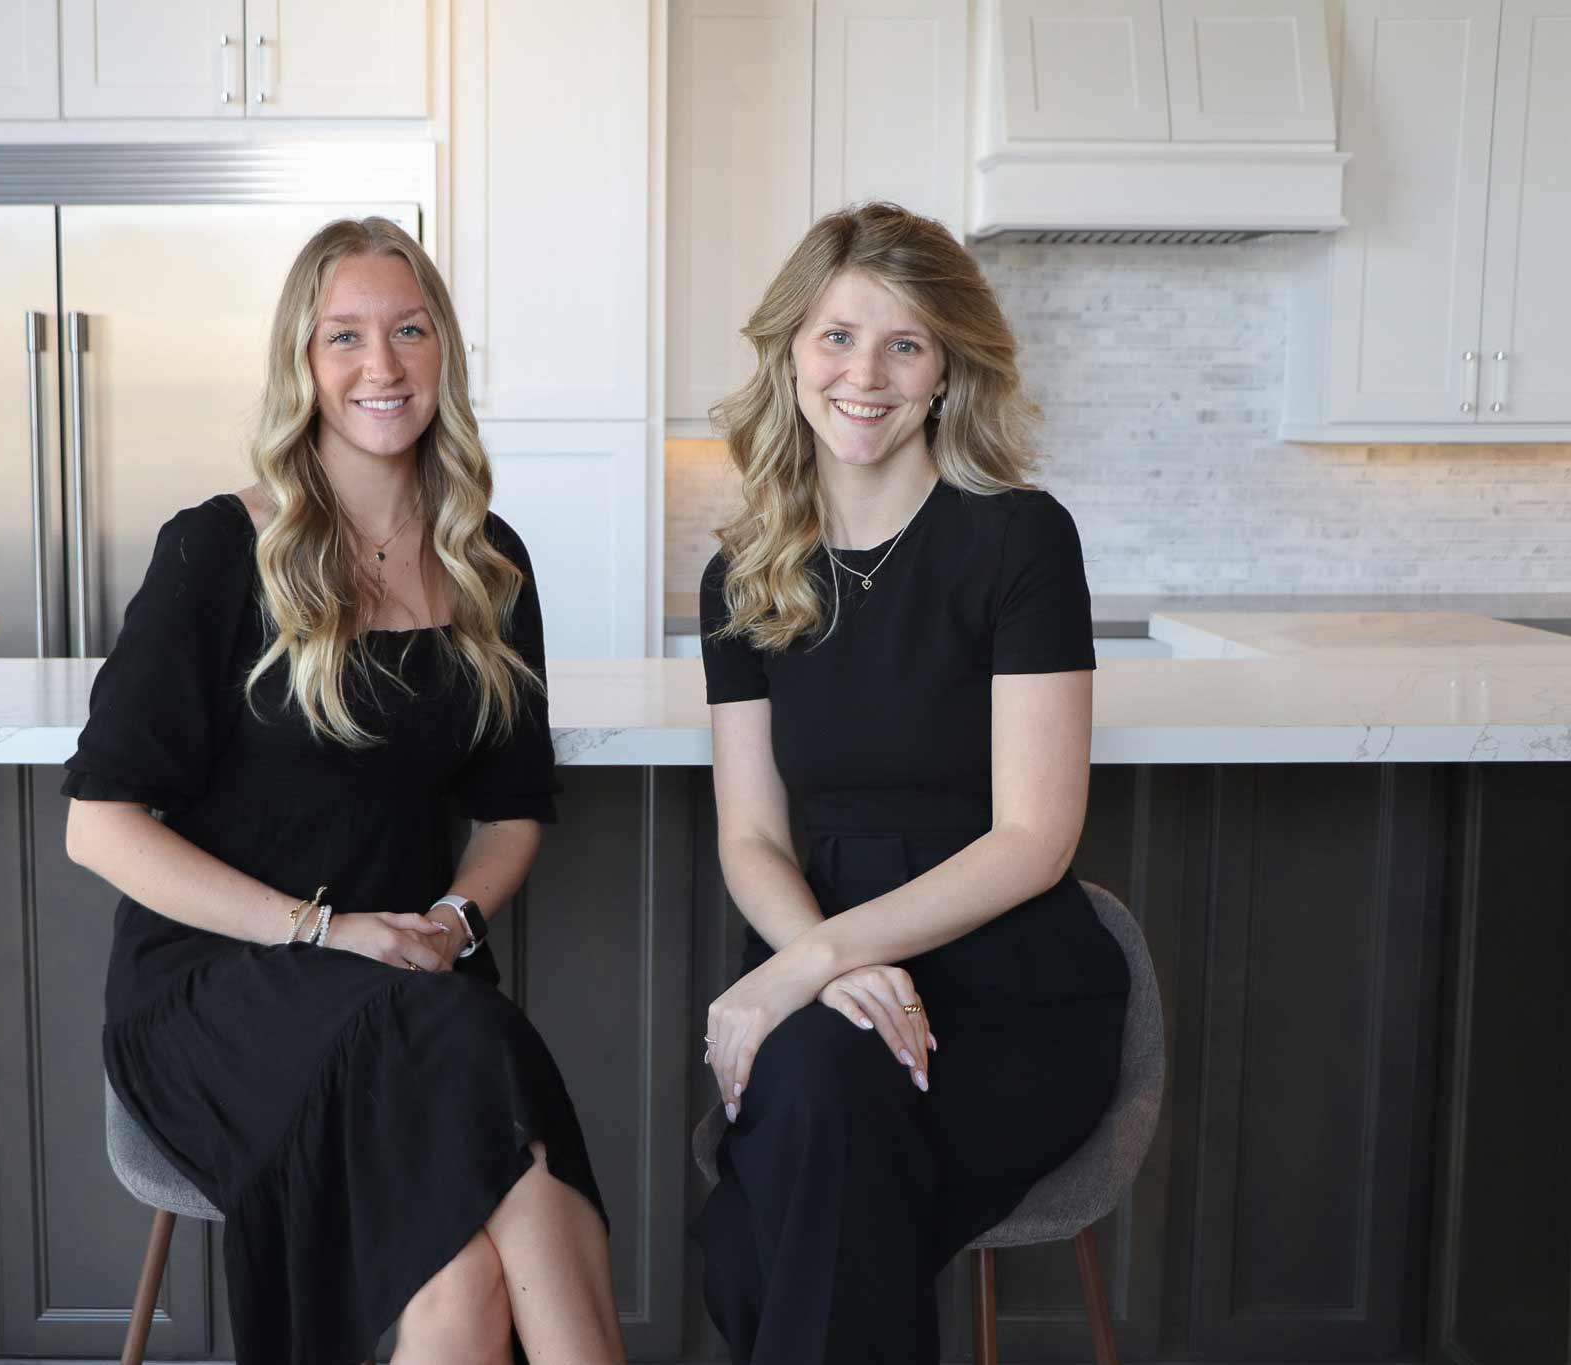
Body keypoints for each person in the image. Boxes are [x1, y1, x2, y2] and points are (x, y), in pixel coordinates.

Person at [62, 216, 625, 1365]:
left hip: (411, 983)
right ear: (302, 366)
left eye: (409, 331)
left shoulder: (486, 559)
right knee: (473, 1048)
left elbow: (514, 809)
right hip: (224, 990)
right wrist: (322, 930)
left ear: (442, 355)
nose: (384, 366)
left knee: (463, 1265)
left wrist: (456, 918)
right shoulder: (218, 552)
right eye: (346, 337)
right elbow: (99, 829)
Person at [694, 202, 1131, 1363]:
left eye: (903, 344)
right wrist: (815, 965)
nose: (865, 375)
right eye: (836, 337)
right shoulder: (742, 573)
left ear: (945, 369)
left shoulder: (1019, 541)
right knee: (815, 1127)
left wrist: (812, 966)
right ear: (790, 354)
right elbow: (749, 836)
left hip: (1002, 983)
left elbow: (1033, 836)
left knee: (769, 1214)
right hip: (820, 961)